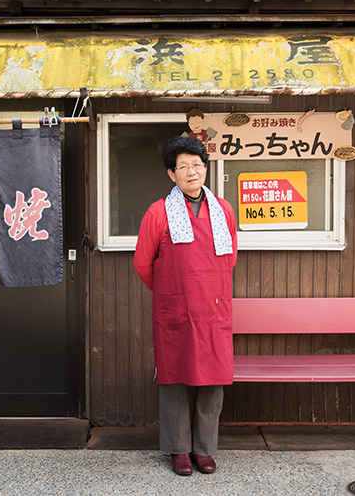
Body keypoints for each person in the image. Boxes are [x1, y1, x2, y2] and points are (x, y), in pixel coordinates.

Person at [133, 135, 238, 476]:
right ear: (171, 174)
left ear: (205, 169)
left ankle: (204, 450)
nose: (191, 172)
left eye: (197, 165)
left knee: (212, 380)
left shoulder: (224, 210)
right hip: (174, 310)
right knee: (175, 379)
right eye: (183, 167)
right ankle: (178, 450)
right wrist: (170, 291)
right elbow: (143, 263)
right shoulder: (157, 212)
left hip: (214, 307)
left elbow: (230, 258)